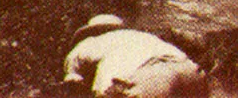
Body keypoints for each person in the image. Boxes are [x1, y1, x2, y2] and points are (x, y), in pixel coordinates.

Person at [62, 14, 209, 98]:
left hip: (151, 78)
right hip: (190, 72)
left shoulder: (88, 44)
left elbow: (73, 84)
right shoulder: (140, 37)